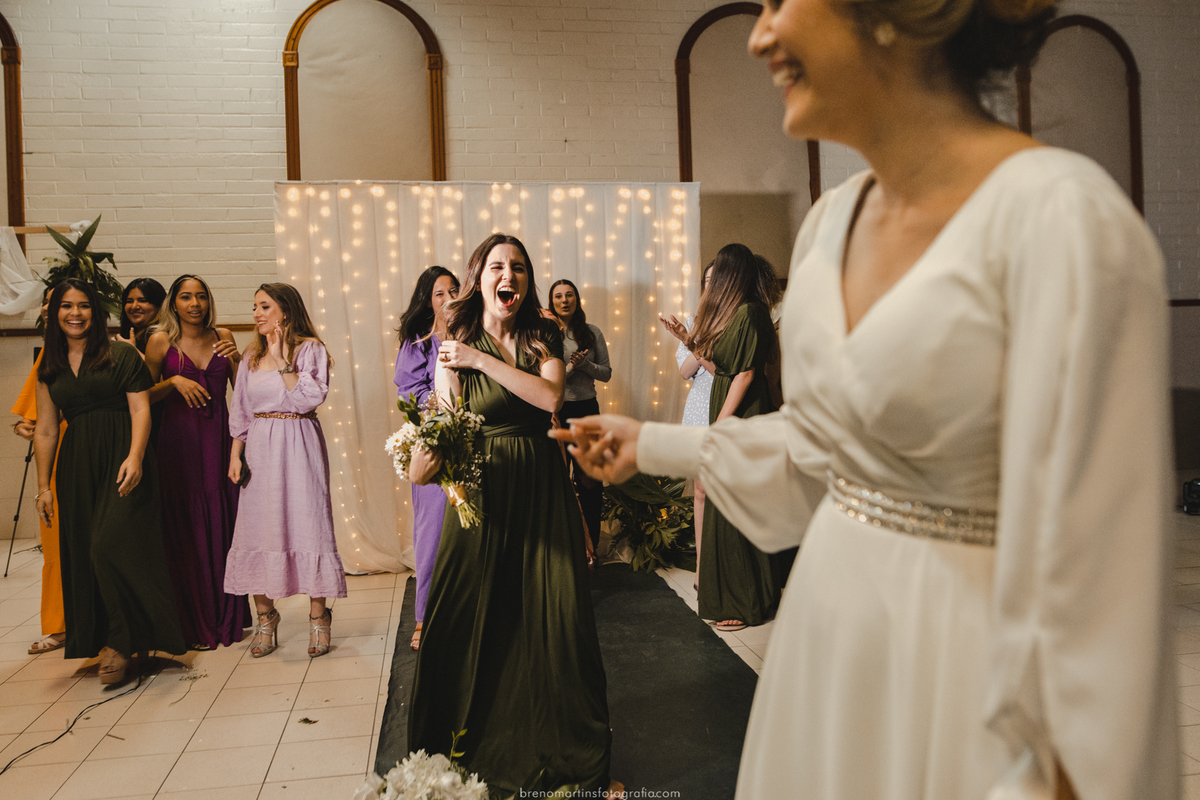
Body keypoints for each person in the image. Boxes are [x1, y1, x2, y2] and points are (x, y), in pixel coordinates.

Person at [553, 1, 1176, 798]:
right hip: (829, 636)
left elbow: (1106, 579)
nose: (758, 35)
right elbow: (820, 451)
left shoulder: (1062, 218)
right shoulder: (827, 227)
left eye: (782, 3)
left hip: (964, 670)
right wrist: (653, 444)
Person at [407, 233, 613, 796]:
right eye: (498, 266)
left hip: (540, 490)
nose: (511, 276)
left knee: (557, 622)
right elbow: (448, 416)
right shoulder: (456, 339)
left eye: (519, 268)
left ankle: (568, 749)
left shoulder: (543, 334)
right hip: (481, 495)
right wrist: (421, 452)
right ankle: (458, 742)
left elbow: (548, 398)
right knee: (467, 615)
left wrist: (477, 360)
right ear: (480, 277)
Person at [33, 279, 186, 684]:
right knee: (86, 553)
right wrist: (43, 486)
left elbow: (140, 410)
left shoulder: (121, 354)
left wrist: (136, 457)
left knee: (108, 545)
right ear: (55, 313)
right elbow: (46, 430)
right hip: (76, 468)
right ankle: (107, 640)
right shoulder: (49, 364)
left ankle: (121, 643)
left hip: (122, 458)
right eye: (67, 306)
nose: (75, 314)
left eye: (84, 306)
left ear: (96, 312)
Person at [224, 282, 346, 658]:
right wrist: (235, 454)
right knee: (257, 528)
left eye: (264, 306)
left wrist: (281, 360)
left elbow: (310, 398)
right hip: (259, 447)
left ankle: (318, 618)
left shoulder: (311, 350)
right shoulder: (249, 356)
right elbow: (241, 409)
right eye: (255, 307)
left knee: (310, 525)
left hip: (300, 444)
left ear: (285, 312)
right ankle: (265, 618)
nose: (257, 314)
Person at [684, 244, 789, 632]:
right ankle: (734, 593)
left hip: (742, 414)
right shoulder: (738, 315)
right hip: (730, 407)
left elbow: (745, 375)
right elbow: (722, 369)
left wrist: (721, 424)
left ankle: (747, 602)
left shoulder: (749, 312)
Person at [145, 274, 248, 650]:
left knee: (223, 523)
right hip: (177, 447)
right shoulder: (160, 341)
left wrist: (241, 363)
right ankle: (194, 620)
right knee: (186, 529)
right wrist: (172, 382)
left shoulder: (223, 336)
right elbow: (140, 397)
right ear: (174, 303)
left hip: (220, 442)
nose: (194, 304)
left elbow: (244, 394)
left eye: (201, 296)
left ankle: (227, 615)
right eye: (186, 297)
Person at [392, 265, 459, 651]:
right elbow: (408, 392)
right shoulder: (418, 342)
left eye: (454, 290)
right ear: (427, 301)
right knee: (432, 532)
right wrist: (430, 403)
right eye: (439, 293)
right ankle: (425, 615)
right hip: (434, 444)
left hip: (474, 440)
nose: (449, 298)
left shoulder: (475, 335)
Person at [12, 287, 67, 654]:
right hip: (57, 459)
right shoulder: (50, 355)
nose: (50, 308)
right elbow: (31, 417)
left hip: (95, 453)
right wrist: (23, 426)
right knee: (56, 547)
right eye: (49, 302)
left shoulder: (105, 353)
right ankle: (59, 624)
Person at [661, 261, 715, 590]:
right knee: (700, 490)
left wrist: (695, 345)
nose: (711, 286)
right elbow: (685, 371)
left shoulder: (736, 320)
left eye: (717, 280)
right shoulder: (694, 322)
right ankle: (701, 566)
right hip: (699, 408)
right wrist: (692, 340)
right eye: (706, 281)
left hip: (727, 405)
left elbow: (722, 367)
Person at [549, 278, 612, 551]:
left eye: (570, 295)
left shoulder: (592, 332)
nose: (565, 300)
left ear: (577, 299)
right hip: (558, 412)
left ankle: (592, 547)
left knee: (590, 481)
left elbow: (607, 373)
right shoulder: (546, 335)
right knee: (559, 482)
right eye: (559, 296)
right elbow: (549, 382)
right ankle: (567, 548)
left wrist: (585, 364)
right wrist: (572, 368)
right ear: (551, 303)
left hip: (587, 411)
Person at [115, 277, 166, 353]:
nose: (134, 306)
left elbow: (153, 365)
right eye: (129, 301)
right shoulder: (129, 333)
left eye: (143, 301)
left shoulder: (162, 336)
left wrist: (131, 349)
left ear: (159, 306)